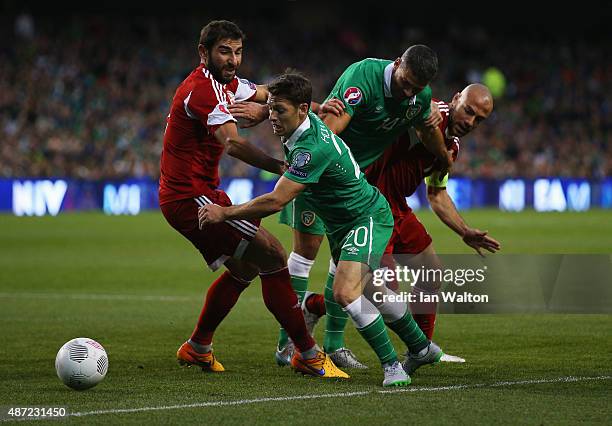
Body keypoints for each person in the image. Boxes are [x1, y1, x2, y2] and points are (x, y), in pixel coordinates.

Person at [198, 71, 444, 386]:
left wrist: (226, 213)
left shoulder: (311, 148)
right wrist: (266, 103)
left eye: (279, 110)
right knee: (372, 291)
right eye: (271, 109)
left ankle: (392, 367)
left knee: (345, 292)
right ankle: (421, 347)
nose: (272, 117)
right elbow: (300, 103)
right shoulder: (302, 124)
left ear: (301, 110)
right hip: (342, 224)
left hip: (365, 217)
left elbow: (276, 200)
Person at [159, 20, 347, 379]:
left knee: (245, 269)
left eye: (238, 51)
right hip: (189, 197)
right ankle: (307, 353)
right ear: (204, 53)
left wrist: (317, 105)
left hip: (200, 191)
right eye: (224, 51)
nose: (232, 59)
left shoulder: (230, 84)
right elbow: (231, 143)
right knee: (274, 256)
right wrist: (282, 166)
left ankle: (198, 347)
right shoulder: (202, 89)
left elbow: (264, 92)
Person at [270, 46, 451, 368]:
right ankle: (289, 346)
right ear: (397, 64)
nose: (407, 91)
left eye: (416, 88)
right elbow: (332, 126)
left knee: (344, 262)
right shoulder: (363, 77)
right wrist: (312, 159)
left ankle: (334, 345)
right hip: (317, 172)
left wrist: (443, 156)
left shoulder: (419, 97)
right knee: (304, 254)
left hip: (354, 183)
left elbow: (426, 129)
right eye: (405, 82)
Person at [302, 84, 501, 369]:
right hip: (368, 204)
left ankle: (420, 350)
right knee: (382, 295)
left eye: (479, 119)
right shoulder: (429, 112)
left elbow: (437, 194)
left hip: (397, 208)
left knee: (431, 274)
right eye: (468, 111)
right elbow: (417, 117)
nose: (470, 122)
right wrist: (431, 123)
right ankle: (314, 306)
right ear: (455, 99)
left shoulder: (452, 146)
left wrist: (465, 231)